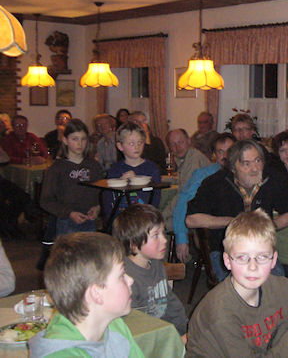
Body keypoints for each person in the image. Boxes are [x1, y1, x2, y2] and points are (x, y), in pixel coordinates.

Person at [186, 209, 288, 357]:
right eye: (242, 258)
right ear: (227, 261)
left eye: (262, 257)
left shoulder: (277, 286)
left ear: (274, 260)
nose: (252, 267)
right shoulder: (220, 311)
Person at [186, 139, 288, 281]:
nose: (255, 168)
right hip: (225, 251)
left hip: (261, 250)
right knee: (241, 287)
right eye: (246, 164)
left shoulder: (271, 179)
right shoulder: (215, 183)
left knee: (276, 286)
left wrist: (268, 227)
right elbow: (191, 219)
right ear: (233, 167)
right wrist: (235, 222)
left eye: (258, 161)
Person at [28, 232, 144, 357]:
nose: (130, 280)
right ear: (96, 293)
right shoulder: (61, 354)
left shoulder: (114, 326)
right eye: (121, 275)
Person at [112, 204, 188, 340]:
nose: (164, 240)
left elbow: (168, 300)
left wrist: (183, 329)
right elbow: (131, 325)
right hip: (144, 339)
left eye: (163, 233)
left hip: (164, 331)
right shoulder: (126, 278)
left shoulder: (156, 264)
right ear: (133, 244)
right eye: (155, 235)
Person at [172, 133, 235, 263]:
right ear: (214, 155)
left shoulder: (245, 174)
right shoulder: (203, 175)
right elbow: (183, 202)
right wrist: (181, 238)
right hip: (213, 234)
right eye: (220, 152)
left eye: (229, 151)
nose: (225, 156)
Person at [40, 119, 103, 237]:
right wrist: (69, 213)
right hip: (66, 221)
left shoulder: (94, 166)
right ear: (65, 140)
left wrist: (98, 207)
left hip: (90, 219)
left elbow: (101, 192)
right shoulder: (57, 168)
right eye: (75, 139)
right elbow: (46, 200)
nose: (80, 143)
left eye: (83, 139)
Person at [105, 122, 161, 225]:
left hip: (145, 221)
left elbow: (156, 198)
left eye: (140, 142)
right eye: (131, 143)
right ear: (120, 146)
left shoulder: (152, 168)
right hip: (122, 222)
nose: (137, 147)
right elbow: (109, 200)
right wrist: (120, 183)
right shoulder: (115, 170)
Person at [163, 129, 211, 231]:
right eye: (173, 144)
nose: (177, 147)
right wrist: (163, 179)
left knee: (161, 225)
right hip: (194, 207)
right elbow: (183, 179)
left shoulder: (193, 160)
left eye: (180, 142)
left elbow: (184, 194)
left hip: (202, 212)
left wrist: (162, 215)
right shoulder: (187, 157)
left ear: (189, 141)